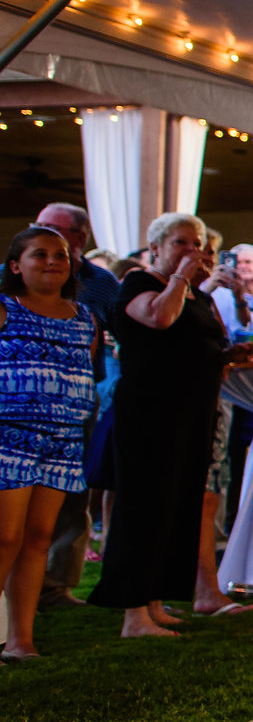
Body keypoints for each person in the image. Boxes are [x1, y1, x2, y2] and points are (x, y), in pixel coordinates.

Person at [90, 213, 253, 637]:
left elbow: (191, 347)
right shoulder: (139, 283)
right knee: (143, 507)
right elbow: (159, 320)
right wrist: (183, 279)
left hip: (191, 411)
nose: (193, 252)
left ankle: (155, 602)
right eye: (181, 243)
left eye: (198, 244)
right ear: (156, 249)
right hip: (150, 412)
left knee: (175, 507)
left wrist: (229, 355)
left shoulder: (195, 296)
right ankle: (133, 614)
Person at [0, 226, 99, 660]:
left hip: (64, 438)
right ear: (15, 266)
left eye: (60, 254)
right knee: (5, 537)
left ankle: (21, 639)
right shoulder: (4, 309)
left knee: (40, 537)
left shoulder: (84, 317)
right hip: (10, 435)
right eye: (39, 254)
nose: (52, 261)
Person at [30, 203, 118, 613]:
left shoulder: (100, 284)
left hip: (79, 397)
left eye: (52, 229)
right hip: (17, 399)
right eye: (38, 227)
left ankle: (55, 586)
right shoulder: (9, 276)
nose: (41, 233)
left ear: (80, 239)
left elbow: (126, 332)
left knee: (71, 492)